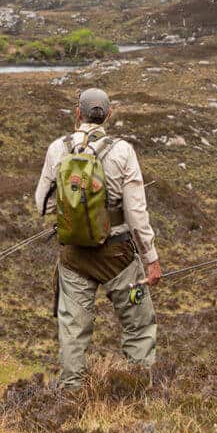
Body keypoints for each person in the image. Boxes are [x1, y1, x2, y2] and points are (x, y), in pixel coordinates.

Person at [35, 88, 162, 388]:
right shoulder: (123, 151)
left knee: (73, 332)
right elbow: (137, 214)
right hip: (118, 256)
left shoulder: (58, 148)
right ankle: (140, 389)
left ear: (77, 113)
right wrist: (151, 259)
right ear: (108, 114)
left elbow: (43, 204)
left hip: (73, 256)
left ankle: (71, 395)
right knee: (139, 325)